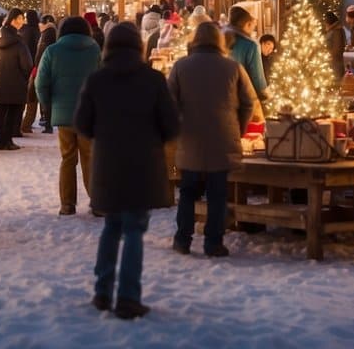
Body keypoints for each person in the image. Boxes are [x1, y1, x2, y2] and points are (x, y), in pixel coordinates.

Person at [74, 22, 179, 320]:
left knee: (112, 227)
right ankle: (129, 297)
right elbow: (171, 125)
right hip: (144, 165)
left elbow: (82, 123)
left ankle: (103, 291)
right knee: (134, 229)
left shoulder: (97, 80)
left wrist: (103, 133)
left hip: (108, 164)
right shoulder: (154, 80)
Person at [168, 22, 255, 259]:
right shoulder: (233, 67)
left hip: (190, 140)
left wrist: (178, 127)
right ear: (219, 41)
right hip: (223, 139)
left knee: (187, 192)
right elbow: (249, 101)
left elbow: (169, 103)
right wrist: (239, 127)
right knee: (217, 195)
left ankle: (182, 239)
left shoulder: (181, 67)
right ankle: (213, 243)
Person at [36, 17, 102, 215]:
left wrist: (47, 105)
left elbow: (40, 83)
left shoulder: (52, 51)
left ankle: (67, 204)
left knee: (67, 158)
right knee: (90, 157)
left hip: (63, 115)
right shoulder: (94, 50)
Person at [0, 8, 33, 150]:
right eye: (19, 19)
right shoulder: (19, 43)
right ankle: (8, 140)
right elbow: (27, 65)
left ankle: (1, 141)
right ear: (13, 20)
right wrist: (24, 78)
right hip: (16, 82)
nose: (22, 21)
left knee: (0, 111)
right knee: (13, 112)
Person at [226, 6, 268, 119]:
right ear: (248, 24)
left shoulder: (218, 37)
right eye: (254, 25)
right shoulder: (250, 46)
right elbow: (258, 82)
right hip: (240, 104)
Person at [26, 17, 58, 133]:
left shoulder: (46, 34)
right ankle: (46, 122)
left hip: (42, 70)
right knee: (44, 96)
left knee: (39, 96)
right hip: (46, 69)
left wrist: (36, 67)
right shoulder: (52, 33)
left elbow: (40, 55)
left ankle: (46, 124)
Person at [324, 11, 346, 81]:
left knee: (336, 82)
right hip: (333, 62)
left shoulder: (337, 31)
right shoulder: (333, 30)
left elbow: (337, 48)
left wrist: (329, 55)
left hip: (335, 64)